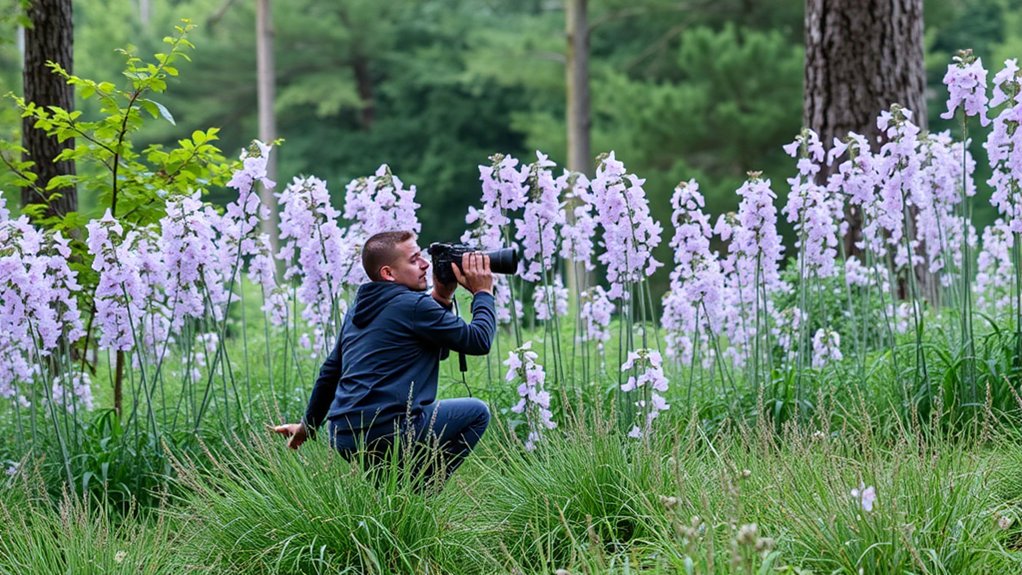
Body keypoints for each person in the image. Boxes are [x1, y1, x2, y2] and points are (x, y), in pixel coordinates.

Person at [272, 230, 496, 485]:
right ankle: (421, 495)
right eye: (414, 260)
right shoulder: (414, 306)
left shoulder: (358, 309)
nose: (425, 264)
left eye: (422, 256)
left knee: (390, 475)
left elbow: (330, 371)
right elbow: (479, 340)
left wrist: (307, 427)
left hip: (344, 435)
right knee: (477, 412)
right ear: (388, 273)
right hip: (389, 430)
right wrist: (483, 292)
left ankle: (397, 499)